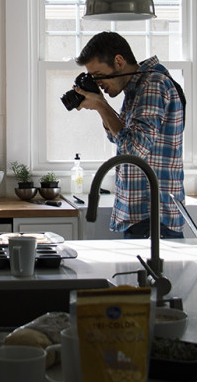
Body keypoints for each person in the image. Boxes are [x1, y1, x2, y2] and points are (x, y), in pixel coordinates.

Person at [73, 31, 186, 238]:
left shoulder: (152, 85)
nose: (97, 83)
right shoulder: (136, 88)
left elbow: (133, 150)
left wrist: (101, 105)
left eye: (99, 75)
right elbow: (119, 137)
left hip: (152, 216)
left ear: (118, 61)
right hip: (142, 216)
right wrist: (101, 107)